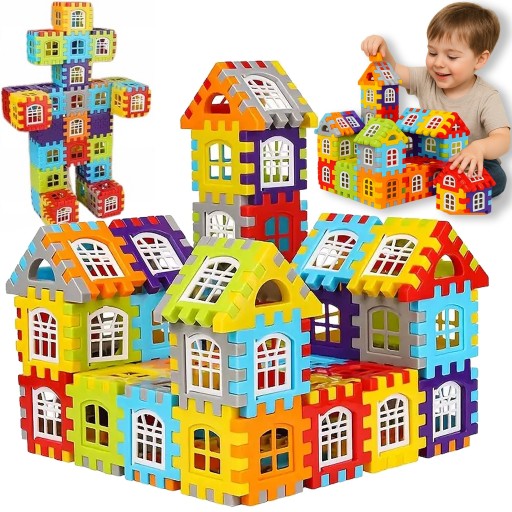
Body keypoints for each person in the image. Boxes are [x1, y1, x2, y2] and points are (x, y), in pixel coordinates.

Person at [361, 2, 510, 197]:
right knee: (396, 154)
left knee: (497, 177)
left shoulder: (487, 96)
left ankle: (450, 184)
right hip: (427, 155)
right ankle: (439, 181)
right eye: (432, 53)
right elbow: (394, 71)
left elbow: (503, 138)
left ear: (480, 59)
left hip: (469, 162)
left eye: (452, 57)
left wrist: (479, 148)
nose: (438, 63)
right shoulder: (425, 79)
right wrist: (383, 50)